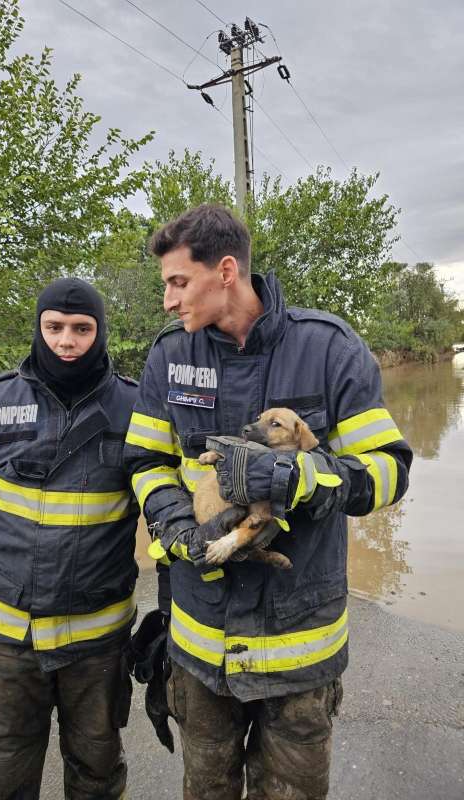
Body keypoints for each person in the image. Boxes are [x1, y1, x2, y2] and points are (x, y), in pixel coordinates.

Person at [124, 204, 412, 800]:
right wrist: (179, 525)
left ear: (226, 271)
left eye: (179, 283)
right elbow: (145, 462)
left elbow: (388, 472)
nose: (169, 301)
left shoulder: (330, 349)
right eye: (166, 287)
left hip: (299, 650)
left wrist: (299, 478)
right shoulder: (169, 357)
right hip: (201, 644)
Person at [0, 277, 139, 800]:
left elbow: (165, 514)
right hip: (5, 646)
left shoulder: (134, 408)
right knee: (0, 781)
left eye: (82, 329)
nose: (67, 341)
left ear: (100, 332)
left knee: (98, 778)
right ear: (39, 328)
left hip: (97, 643)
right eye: (55, 327)